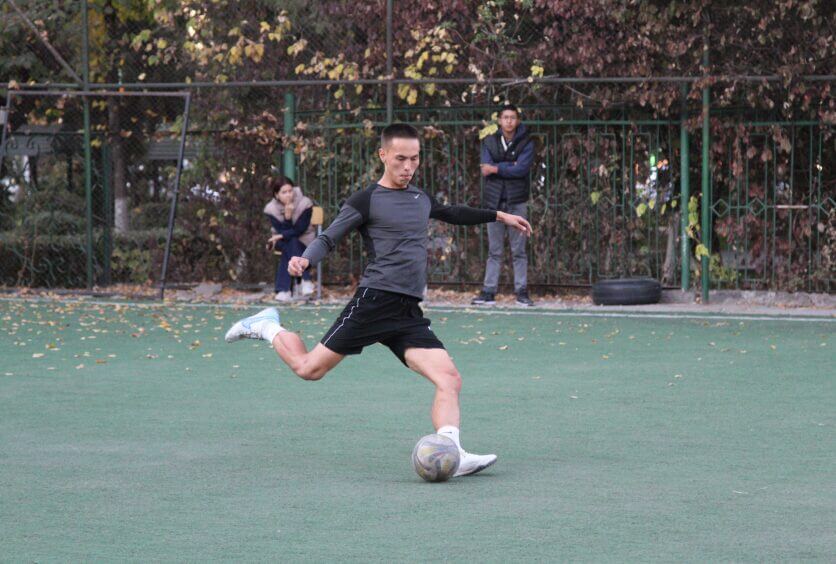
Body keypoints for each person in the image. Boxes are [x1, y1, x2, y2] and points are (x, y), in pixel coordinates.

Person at [225, 123, 532, 477]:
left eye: (414, 159)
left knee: (449, 378)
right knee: (309, 369)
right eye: (400, 158)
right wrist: (305, 259)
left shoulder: (420, 198)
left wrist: (499, 215)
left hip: (407, 310)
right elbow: (329, 237)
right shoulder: (366, 200)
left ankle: (452, 452)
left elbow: (452, 212)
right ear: (383, 155)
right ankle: (266, 326)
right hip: (374, 302)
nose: (408, 166)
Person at [472, 104, 536, 307]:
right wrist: (510, 166)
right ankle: (488, 292)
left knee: (519, 250)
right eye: (505, 117)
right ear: (499, 120)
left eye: (512, 117)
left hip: (517, 201)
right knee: (494, 250)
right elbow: (485, 169)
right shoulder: (489, 141)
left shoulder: (526, 141)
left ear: (517, 120)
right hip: (494, 203)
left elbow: (522, 169)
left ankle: (522, 292)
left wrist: (497, 168)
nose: (509, 121)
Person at [264, 177, 316, 302]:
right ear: (276, 195)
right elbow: (280, 230)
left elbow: (300, 229)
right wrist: (287, 217)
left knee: (291, 243)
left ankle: (283, 290)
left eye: (290, 191)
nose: (288, 195)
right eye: (284, 192)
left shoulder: (305, 203)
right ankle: (305, 279)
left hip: (304, 240)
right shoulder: (271, 209)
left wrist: (282, 235)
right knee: (291, 242)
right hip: (280, 242)